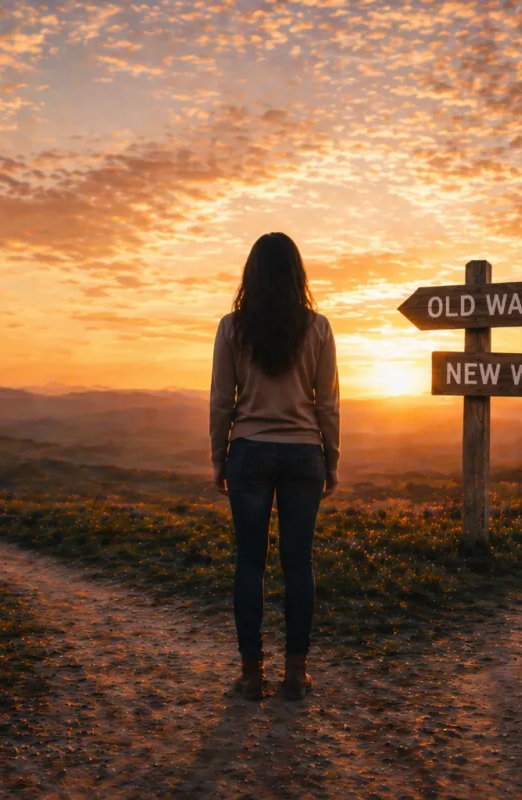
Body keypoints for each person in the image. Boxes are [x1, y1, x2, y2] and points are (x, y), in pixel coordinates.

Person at [209, 232, 340, 701]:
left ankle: (250, 674)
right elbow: (327, 403)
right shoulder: (318, 327)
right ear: (297, 274)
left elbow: (223, 400)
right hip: (305, 454)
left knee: (249, 562)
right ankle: (295, 674)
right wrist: (333, 458)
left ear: (252, 274)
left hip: (249, 451)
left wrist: (218, 457)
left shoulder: (231, 327)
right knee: (297, 562)